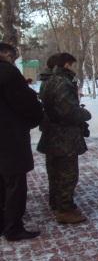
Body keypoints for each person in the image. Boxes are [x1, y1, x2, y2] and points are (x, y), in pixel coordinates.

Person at [37, 53, 91, 224]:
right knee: (68, 174)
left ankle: (56, 201)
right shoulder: (62, 82)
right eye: (72, 65)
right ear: (66, 65)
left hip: (51, 134)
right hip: (64, 137)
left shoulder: (47, 81)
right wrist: (84, 114)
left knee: (54, 171)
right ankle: (65, 210)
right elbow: (68, 112)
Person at [0, 43, 43, 241]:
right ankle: (13, 227)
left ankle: (3, 223)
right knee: (15, 183)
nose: (13, 58)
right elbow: (26, 104)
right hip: (9, 137)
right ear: (6, 54)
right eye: (12, 55)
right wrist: (35, 118)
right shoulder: (8, 72)